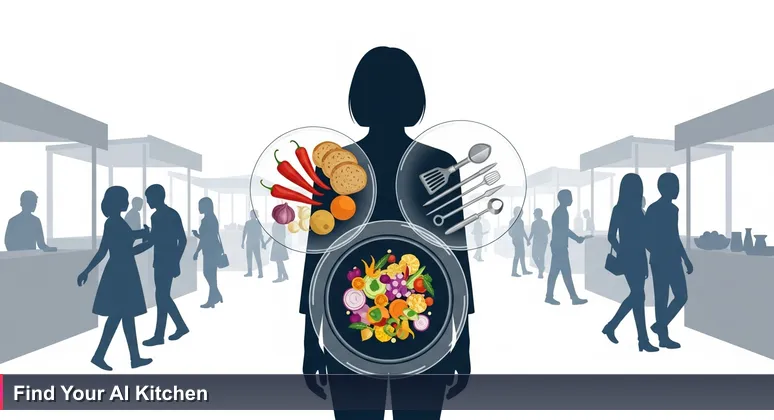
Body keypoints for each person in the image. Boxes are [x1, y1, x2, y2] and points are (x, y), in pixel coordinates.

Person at [299, 47, 474, 419]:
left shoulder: (335, 165)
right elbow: (453, 257)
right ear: (413, 100)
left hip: (345, 321)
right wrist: (462, 342)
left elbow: (320, 256)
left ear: (359, 100)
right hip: (430, 323)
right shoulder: (438, 164)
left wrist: (312, 343)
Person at [76, 186, 152, 371]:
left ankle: (131, 358)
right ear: (117, 202)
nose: (127, 202)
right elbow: (127, 249)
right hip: (122, 273)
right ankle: (104, 356)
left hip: (119, 271)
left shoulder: (114, 222)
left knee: (124, 316)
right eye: (125, 199)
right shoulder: (115, 223)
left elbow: (111, 248)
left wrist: (145, 237)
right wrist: (151, 241)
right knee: (120, 316)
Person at [602, 174, 658, 352]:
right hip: (635, 257)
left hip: (634, 258)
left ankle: (612, 327)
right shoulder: (635, 211)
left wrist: (622, 251)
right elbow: (643, 237)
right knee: (638, 295)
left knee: (637, 296)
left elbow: (612, 237)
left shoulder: (621, 209)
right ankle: (642, 340)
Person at [646, 172, 693, 349]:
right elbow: (647, 237)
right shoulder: (654, 209)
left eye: (678, 186)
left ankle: (660, 326)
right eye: (675, 186)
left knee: (681, 296)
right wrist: (658, 251)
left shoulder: (673, 210)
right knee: (662, 298)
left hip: (671, 259)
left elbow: (675, 237)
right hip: (662, 259)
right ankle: (663, 337)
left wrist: (686, 259)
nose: (678, 190)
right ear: (664, 188)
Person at [140, 185, 190, 346]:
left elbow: (155, 240)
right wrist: (176, 261)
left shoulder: (158, 217)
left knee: (162, 296)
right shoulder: (172, 214)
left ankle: (172, 330)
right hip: (164, 261)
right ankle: (164, 333)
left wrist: (141, 242)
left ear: (156, 197)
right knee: (162, 296)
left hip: (163, 261)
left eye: (149, 198)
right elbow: (181, 240)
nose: (147, 202)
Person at [545, 189, 588, 305]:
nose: (572, 199)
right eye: (569, 197)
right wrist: (577, 238)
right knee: (564, 272)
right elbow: (565, 230)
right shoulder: (562, 212)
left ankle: (552, 296)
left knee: (557, 272)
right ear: (564, 199)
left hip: (557, 246)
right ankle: (573, 297)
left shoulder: (560, 211)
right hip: (560, 247)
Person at [193, 197, 223, 308]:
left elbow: (205, 238)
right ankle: (213, 298)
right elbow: (208, 236)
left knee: (208, 273)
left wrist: (196, 251)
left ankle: (215, 296)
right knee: (211, 275)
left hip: (210, 251)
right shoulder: (212, 218)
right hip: (213, 249)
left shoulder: (207, 220)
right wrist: (198, 236)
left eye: (200, 205)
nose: (198, 208)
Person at [242, 210, 267, 278]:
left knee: (250, 258)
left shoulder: (248, 223)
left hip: (250, 242)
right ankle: (259, 273)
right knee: (256, 258)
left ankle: (251, 272)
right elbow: (260, 234)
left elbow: (245, 233)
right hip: (255, 242)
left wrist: (242, 242)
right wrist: (263, 242)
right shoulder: (257, 223)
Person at [508, 206, 532, 277]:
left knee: (522, 255)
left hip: (520, 240)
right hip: (517, 240)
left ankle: (523, 270)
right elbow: (510, 231)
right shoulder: (513, 221)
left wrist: (527, 239)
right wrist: (514, 237)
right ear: (516, 213)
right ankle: (514, 272)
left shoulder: (521, 221)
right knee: (517, 256)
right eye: (521, 212)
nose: (522, 213)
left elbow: (522, 231)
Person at [528, 208, 550, 278]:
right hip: (543, 241)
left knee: (535, 255)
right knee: (541, 256)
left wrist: (528, 240)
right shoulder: (545, 222)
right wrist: (543, 233)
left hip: (537, 241)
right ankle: (541, 269)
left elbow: (532, 233)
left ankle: (540, 271)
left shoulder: (534, 223)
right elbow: (548, 231)